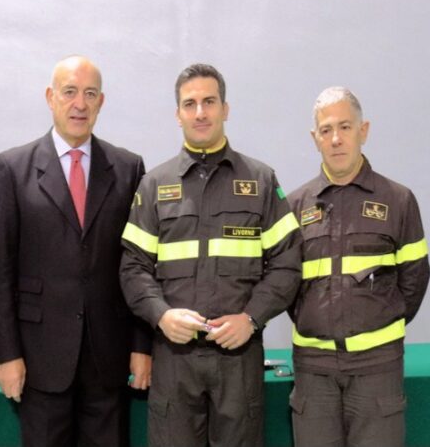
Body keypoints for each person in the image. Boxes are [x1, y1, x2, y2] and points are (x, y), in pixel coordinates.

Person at [120, 63, 302, 447]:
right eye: (190, 104)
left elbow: (287, 262)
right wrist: (161, 315)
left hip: (238, 358)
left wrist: (251, 318)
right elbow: (133, 267)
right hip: (174, 358)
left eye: (209, 101)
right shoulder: (154, 185)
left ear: (225, 108)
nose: (200, 112)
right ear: (178, 114)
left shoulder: (260, 181)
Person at [0, 55, 152, 447]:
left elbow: (142, 265)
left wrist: (142, 346)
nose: (80, 104)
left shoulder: (128, 168)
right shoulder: (13, 168)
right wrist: (6, 355)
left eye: (90, 94)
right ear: (50, 97)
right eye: (70, 92)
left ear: (101, 102)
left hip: (108, 358)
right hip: (39, 359)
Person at [286, 87, 430, 447]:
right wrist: (315, 319)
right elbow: (286, 283)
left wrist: (379, 323)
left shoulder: (398, 200)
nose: (336, 139)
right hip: (313, 368)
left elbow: (415, 279)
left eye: (345, 127)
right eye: (326, 130)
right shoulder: (295, 206)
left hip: (377, 366)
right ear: (315, 138)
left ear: (363, 131)